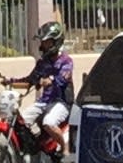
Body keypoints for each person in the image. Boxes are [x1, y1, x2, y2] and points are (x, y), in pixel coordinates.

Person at [5, 22, 75, 153]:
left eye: (46, 42)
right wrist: (10, 81)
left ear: (56, 42)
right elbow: (30, 80)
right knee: (19, 122)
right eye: (42, 42)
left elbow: (63, 77)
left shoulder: (66, 61)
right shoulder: (42, 63)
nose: (42, 46)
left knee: (48, 122)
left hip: (62, 103)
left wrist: (51, 80)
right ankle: (32, 149)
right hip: (44, 102)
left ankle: (64, 149)